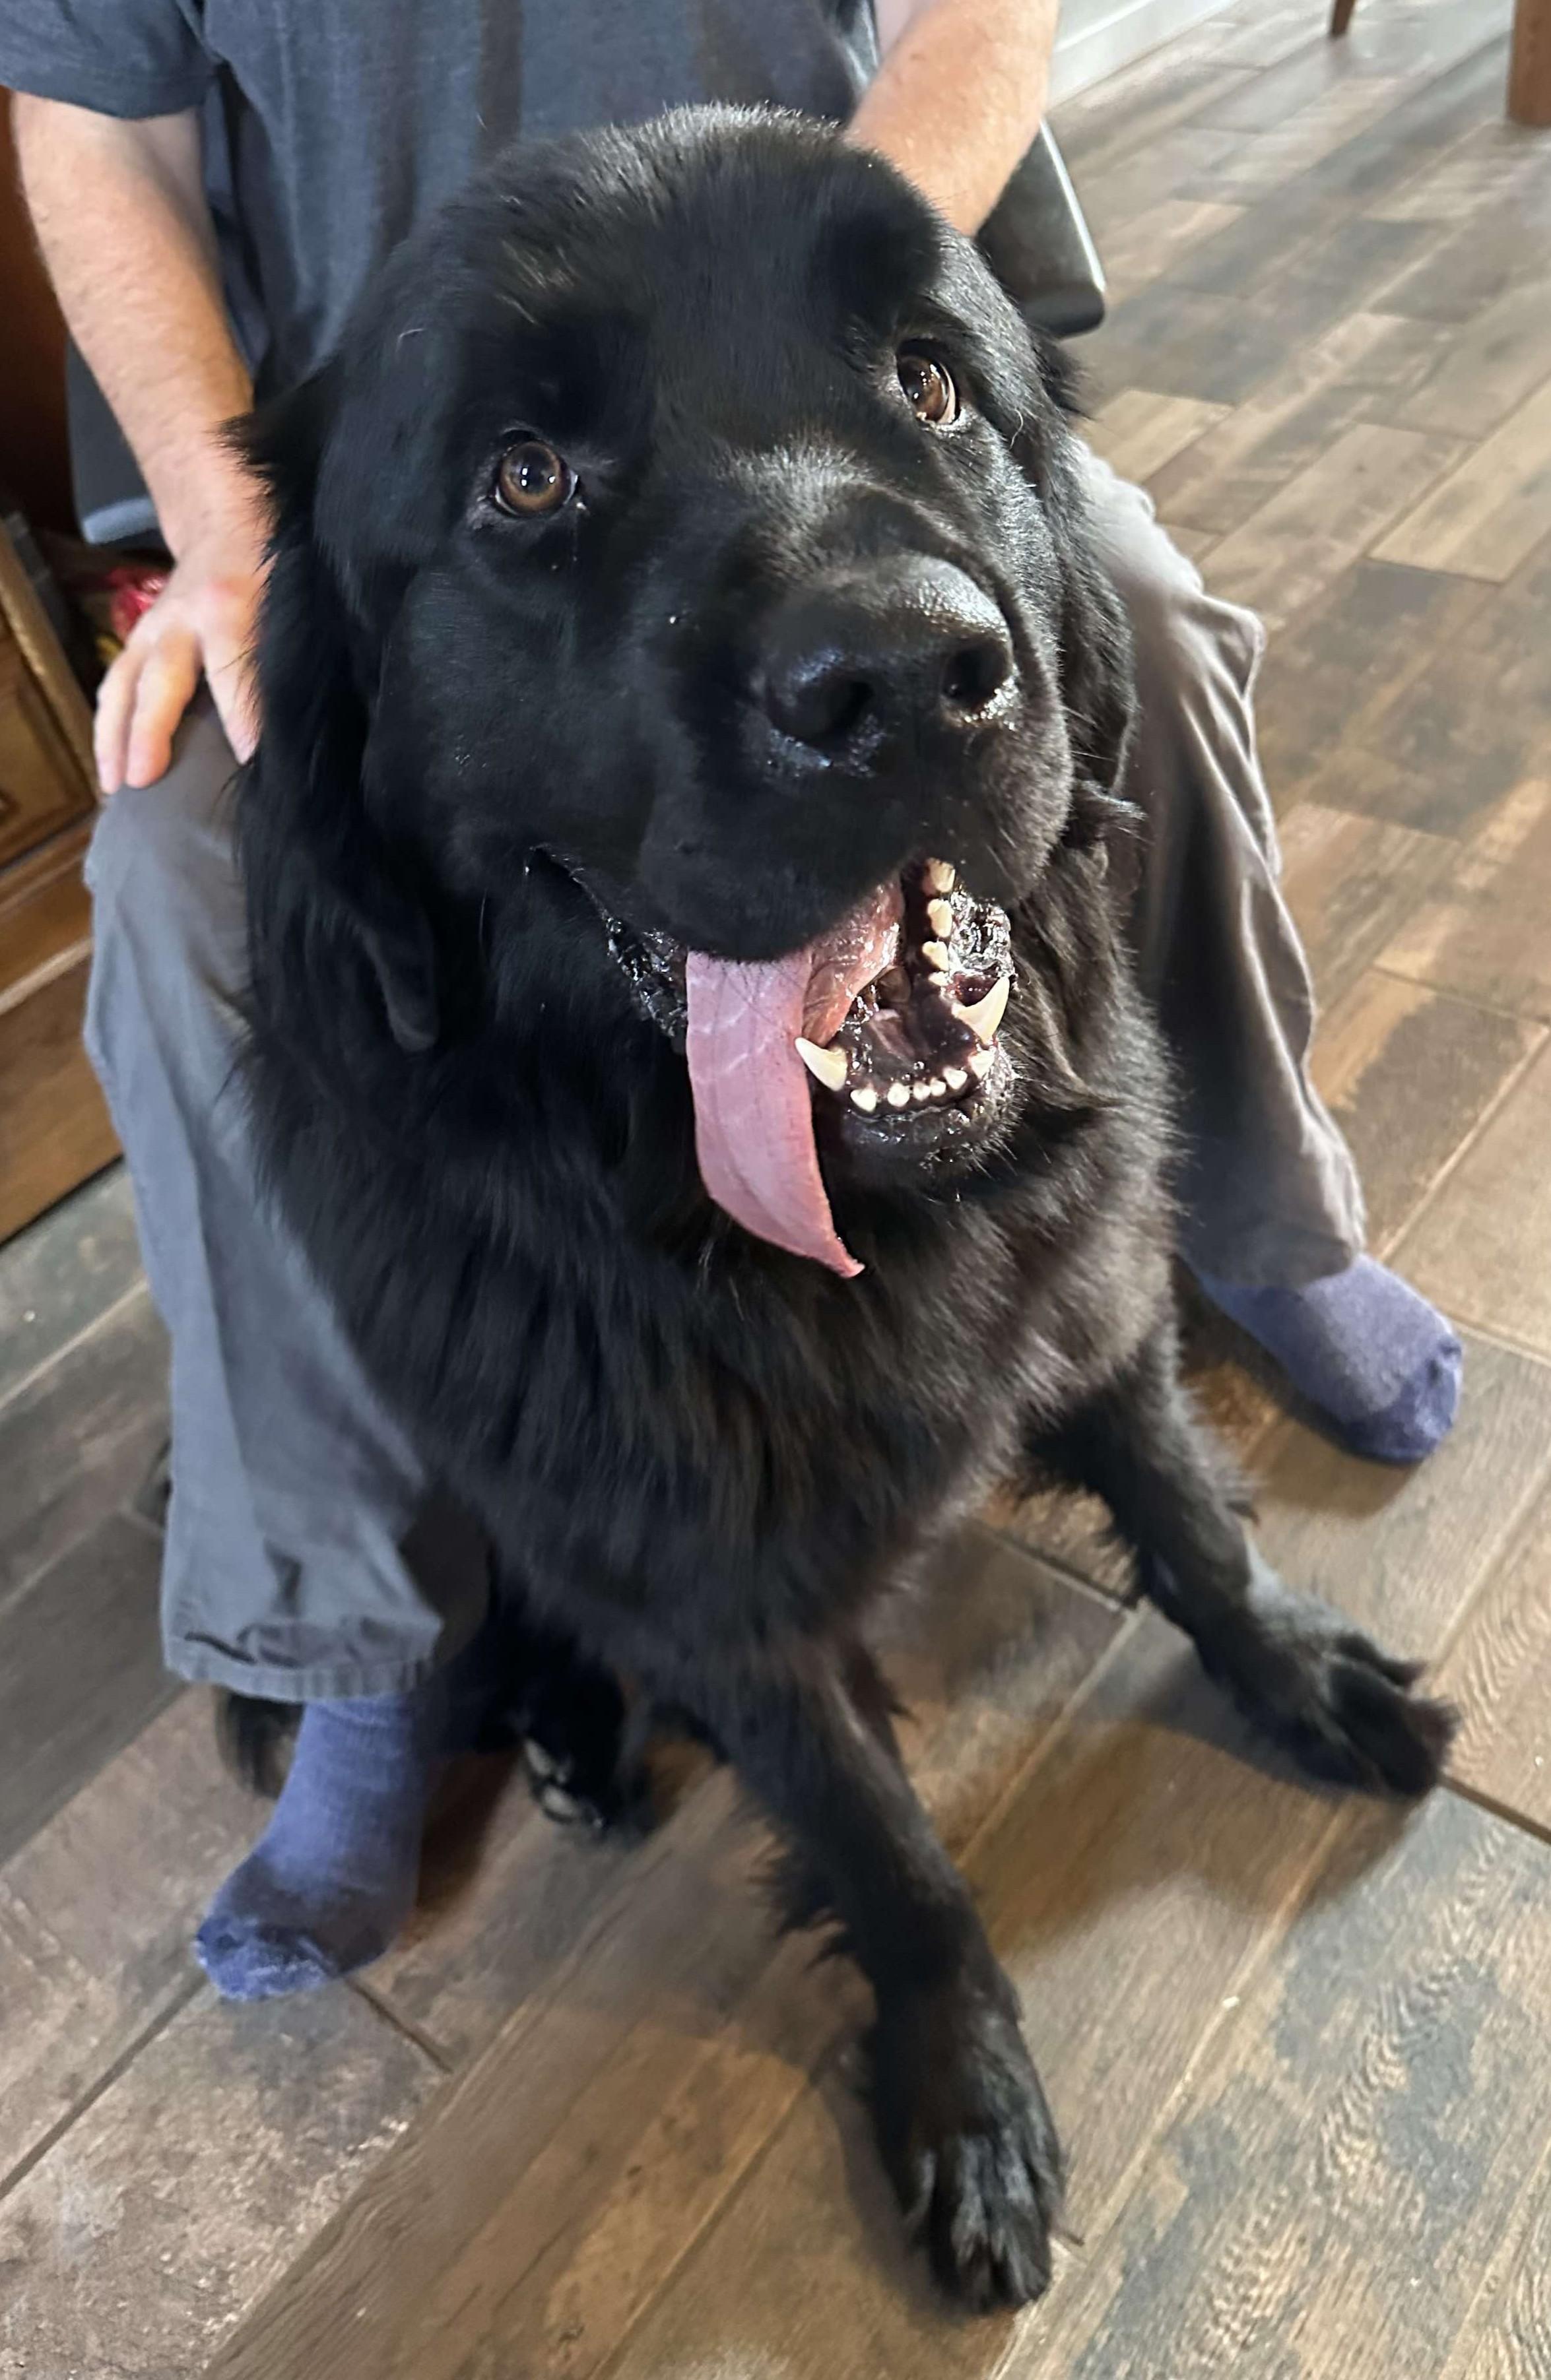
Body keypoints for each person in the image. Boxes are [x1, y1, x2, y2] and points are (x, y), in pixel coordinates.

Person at [3, 0, 1461, 2003]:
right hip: (422, 488)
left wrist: (889, 317)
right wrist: (238, 528)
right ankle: (358, 1626)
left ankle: (1259, 1221)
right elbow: (98, 137)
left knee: (1146, 630)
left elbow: (984, 14)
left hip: (834, 315)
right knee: (178, 888)